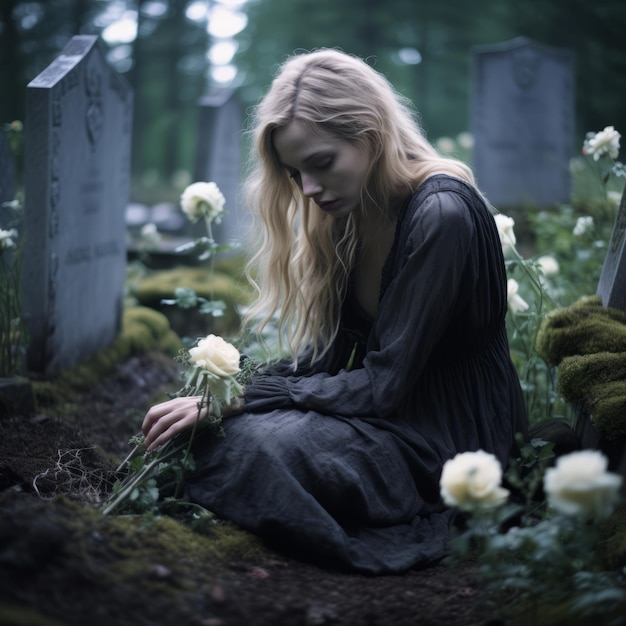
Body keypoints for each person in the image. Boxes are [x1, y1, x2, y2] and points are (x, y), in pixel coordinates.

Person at [142, 48, 528, 574]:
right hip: (382, 417)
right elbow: (326, 361)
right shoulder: (352, 210)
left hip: (448, 439)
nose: (309, 190)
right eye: (295, 172)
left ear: (371, 135)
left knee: (263, 445)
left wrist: (246, 400)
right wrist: (221, 396)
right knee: (208, 430)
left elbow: (383, 385)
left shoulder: (442, 215)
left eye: (322, 164)